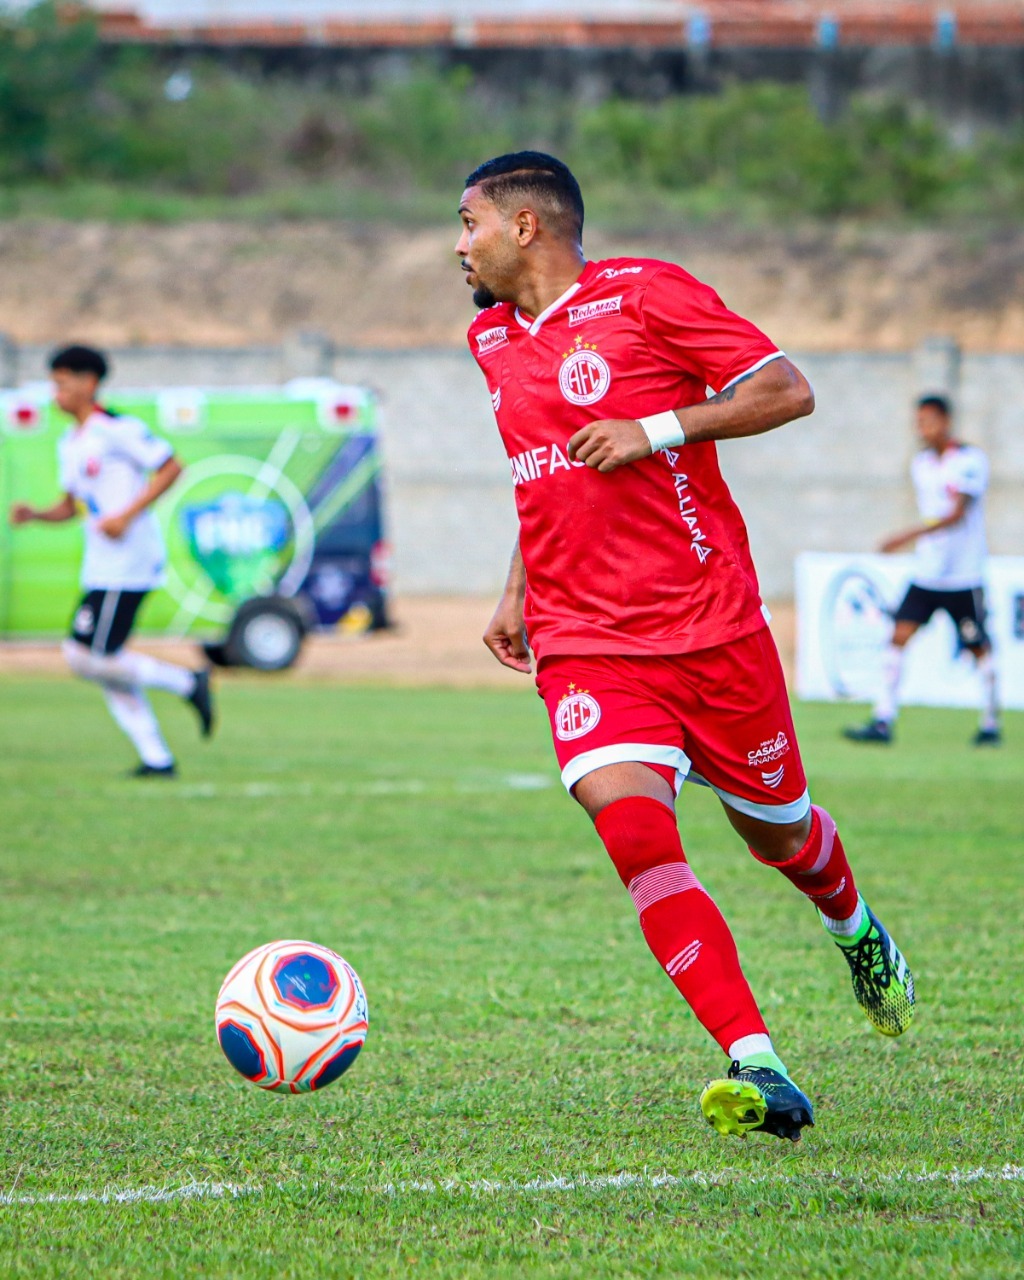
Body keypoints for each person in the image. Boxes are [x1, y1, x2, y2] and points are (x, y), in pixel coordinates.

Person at [457, 152, 914, 1143]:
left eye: (469, 225)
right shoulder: (489, 339)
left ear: (525, 226)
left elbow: (786, 389)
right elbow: (543, 476)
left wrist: (654, 428)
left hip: (711, 629)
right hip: (585, 640)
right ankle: (757, 1061)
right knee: (634, 835)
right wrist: (518, 588)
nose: (460, 246)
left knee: (779, 835)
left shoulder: (647, 295)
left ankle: (855, 928)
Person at [9, 344, 213, 775]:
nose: (56, 395)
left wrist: (126, 515)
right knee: (102, 661)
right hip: (100, 564)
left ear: (89, 383)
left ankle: (185, 682)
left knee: (86, 656)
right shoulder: (70, 442)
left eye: (62, 385)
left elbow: (172, 467)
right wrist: (38, 515)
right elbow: (74, 506)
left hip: (130, 564)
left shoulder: (117, 429)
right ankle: (157, 758)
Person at [844, 394, 1000, 747]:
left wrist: (906, 535)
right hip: (928, 573)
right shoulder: (921, 464)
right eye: (918, 422)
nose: (922, 428)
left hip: (963, 575)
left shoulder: (969, 460)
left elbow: (957, 513)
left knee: (977, 647)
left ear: (945, 421)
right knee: (897, 637)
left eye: (927, 421)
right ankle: (883, 719)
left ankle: (990, 723)